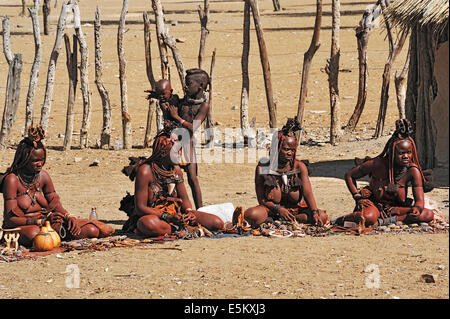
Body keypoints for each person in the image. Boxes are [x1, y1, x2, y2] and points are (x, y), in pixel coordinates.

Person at [0, 126, 114, 247]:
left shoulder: (43, 176)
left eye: (42, 160)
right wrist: (39, 221)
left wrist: (68, 217)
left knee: (92, 230)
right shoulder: (12, 180)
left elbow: (56, 205)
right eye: (35, 160)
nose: (40, 164)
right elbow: (10, 220)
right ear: (24, 159)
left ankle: (57, 235)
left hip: (48, 224)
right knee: (37, 235)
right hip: (23, 227)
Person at [334, 119, 437, 227]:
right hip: (375, 204)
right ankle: (341, 219)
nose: (406, 156)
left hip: (396, 208)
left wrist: (417, 208)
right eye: (401, 153)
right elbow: (349, 175)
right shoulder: (377, 163)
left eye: (408, 152)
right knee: (368, 217)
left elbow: (419, 200)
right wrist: (357, 197)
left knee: (428, 214)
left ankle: (383, 222)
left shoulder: (412, 170)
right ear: (392, 151)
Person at [120, 130, 223, 237]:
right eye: (176, 152)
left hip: (177, 215)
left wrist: (189, 212)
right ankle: (178, 229)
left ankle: (180, 227)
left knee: (217, 223)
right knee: (147, 224)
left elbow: (185, 199)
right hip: (156, 216)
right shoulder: (145, 171)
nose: (179, 156)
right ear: (164, 153)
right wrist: (167, 217)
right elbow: (140, 208)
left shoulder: (176, 170)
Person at [243, 118, 329, 228]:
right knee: (251, 214)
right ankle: (278, 219)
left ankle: (288, 220)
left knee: (322, 216)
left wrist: (314, 212)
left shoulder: (300, 167)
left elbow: (308, 193)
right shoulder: (263, 168)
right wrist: (279, 209)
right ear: (277, 148)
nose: (290, 153)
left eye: (293, 150)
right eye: (286, 149)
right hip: (271, 211)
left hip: (295, 212)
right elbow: (261, 200)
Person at [151, 69, 211, 210]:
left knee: (192, 178)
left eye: (189, 83)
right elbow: (167, 100)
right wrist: (159, 95)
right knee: (170, 177)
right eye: (185, 83)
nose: (185, 86)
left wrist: (177, 117)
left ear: (201, 85)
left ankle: (200, 210)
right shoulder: (181, 101)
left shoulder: (203, 106)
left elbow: (193, 127)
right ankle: (172, 208)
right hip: (172, 145)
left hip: (187, 144)